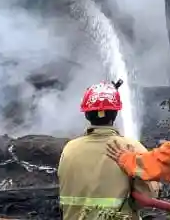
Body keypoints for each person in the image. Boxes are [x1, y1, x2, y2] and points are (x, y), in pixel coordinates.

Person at [57, 81, 159, 220]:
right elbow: (147, 197)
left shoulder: (69, 149)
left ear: (86, 114)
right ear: (115, 113)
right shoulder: (131, 148)